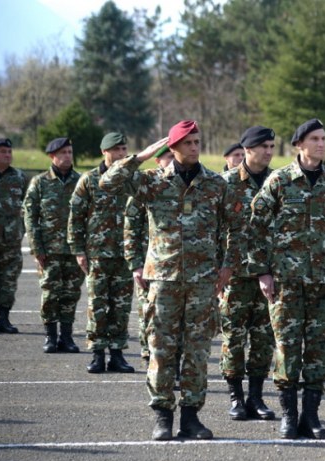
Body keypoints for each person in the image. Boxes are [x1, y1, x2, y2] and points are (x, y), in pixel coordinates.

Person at [100, 121, 241, 441]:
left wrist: (228, 264)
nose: (195, 147)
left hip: (203, 280)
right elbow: (107, 184)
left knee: (197, 351)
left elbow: (238, 224)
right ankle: (163, 417)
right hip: (162, 280)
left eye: (197, 141)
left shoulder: (216, 184)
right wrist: (139, 157)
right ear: (173, 147)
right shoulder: (152, 182)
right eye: (188, 142)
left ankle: (191, 418)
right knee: (161, 349)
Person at [249, 118, 325, 439]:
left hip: (323, 282)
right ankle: (289, 416)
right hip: (285, 282)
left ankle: (311, 416)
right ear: (299, 145)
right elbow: (256, 228)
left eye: (324, 138)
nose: (321, 144)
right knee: (287, 348)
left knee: (320, 350)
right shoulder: (279, 181)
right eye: (315, 139)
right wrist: (262, 271)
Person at [219, 126, 277, 421]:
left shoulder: (278, 182)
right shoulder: (226, 183)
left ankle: (256, 397)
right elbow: (215, 229)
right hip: (237, 275)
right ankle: (235, 397)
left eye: (271, 146)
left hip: (269, 274)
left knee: (264, 339)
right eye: (263, 146)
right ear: (248, 149)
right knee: (234, 338)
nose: (268, 151)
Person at [68, 132, 135, 373]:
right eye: (116, 150)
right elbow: (75, 217)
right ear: (104, 152)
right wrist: (78, 250)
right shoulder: (89, 180)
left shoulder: (132, 179)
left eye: (124, 149)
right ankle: (97, 354)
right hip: (97, 254)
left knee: (121, 307)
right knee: (97, 305)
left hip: (125, 255)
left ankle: (117, 354)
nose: (121, 154)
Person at [23, 138, 85, 353]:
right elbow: (30, 216)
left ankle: (66, 338)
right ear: (52, 156)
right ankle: (50, 337)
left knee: (70, 294)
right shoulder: (40, 182)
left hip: (74, 249)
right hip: (49, 249)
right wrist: (36, 247)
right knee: (50, 293)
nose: (68, 156)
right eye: (63, 152)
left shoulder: (81, 181)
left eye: (70, 151)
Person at [124, 145, 174, 367]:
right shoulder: (146, 190)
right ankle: (149, 355)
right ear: (158, 162)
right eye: (169, 157)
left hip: (172, 266)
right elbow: (130, 230)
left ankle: (171, 364)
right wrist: (135, 265)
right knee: (149, 312)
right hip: (148, 264)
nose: (173, 161)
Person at [0, 138, 27, 334]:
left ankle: (4, 320)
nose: (7, 155)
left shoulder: (19, 177)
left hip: (12, 241)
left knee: (8, 282)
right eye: (2, 151)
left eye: (9, 151)